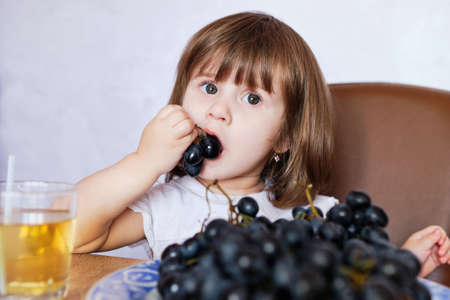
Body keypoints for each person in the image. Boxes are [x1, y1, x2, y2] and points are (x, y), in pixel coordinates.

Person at [72, 12, 450, 278]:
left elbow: (352, 284)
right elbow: (68, 235)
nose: (218, 110)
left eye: (251, 99)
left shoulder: (315, 217)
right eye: (208, 87)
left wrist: (405, 261)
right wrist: (144, 162)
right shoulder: (169, 204)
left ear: (285, 137)